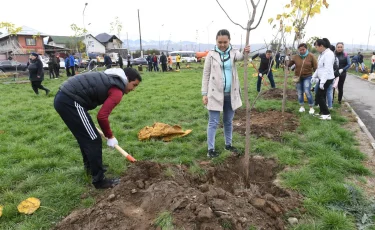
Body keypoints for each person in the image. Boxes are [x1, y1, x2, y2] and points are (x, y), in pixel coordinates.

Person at [54, 67, 142, 189]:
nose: (133, 89)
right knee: (93, 139)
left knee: (86, 138)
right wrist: (110, 136)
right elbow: (102, 116)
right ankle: (99, 181)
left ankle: (92, 169)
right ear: (126, 79)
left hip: (64, 98)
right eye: (134, 85)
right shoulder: (117, 90)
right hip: (71, 101)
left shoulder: (111, 79)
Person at [201, 29, 250, 158]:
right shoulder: (211, 55)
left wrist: (246, 52)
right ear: (216, 41)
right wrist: (204, 93)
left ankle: (228, 144)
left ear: (229, 41)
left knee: (228, 121)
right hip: (214, 93)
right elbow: (206, 74)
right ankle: (210, 149)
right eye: (220, 42)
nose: (222, 45)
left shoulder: (233, 53)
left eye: (225, 42)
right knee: (213, 122)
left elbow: (242, 57)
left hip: (231, 94)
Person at [288, 43, 317, 114]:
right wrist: (287, 58)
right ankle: (302, 106)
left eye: (303, 49)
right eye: (300, 50)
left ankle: (311, 107)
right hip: (298, 77)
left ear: (306, 49)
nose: (301, 51)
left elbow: (315, 67)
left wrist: (316, 77)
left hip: (308, 76)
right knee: (299, 92)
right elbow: (288, 64)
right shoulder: (296, 57)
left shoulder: (311, 56)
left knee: (307, 91)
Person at [311, 38, 335, 120]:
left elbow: (327, 69)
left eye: (316, 47)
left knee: (319, 96)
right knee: (320, 95)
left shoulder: (329, 54)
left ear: (321, 46)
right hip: (323, 78)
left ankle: (326, 114)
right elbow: (319, 68)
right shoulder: (322, 54)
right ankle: (322, 112)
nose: (316, 48)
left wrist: (322, 82)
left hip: (327, 78)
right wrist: (314, 76)